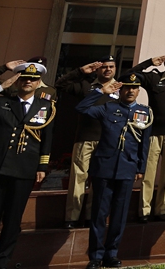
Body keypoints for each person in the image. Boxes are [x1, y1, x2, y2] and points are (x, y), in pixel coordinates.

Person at [0, 62, 55, 269]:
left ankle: (3, 261)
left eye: (32, 79)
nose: (28, 82)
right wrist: (0, 86)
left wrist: (42, 167)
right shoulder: (0, 102)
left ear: (38, 83)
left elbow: (47, 139)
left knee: (12, 221)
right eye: (24, 78)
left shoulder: (46, 107)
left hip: (24, 169)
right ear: (17, 80)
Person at [78, 72, 152, 269]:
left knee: (119, 214)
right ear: (121, 89)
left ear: (138, 91)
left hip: (127, 167)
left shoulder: (144, 113)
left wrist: (141, 167)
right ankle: (95, 256)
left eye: (134, 88)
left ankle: (111, 253)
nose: (130, 91)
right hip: (104, 167)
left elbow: (145, 144)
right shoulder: (107, 108)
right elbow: (82, 108)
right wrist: (101, 91)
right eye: (127, 87)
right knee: (99, 214)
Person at [56, 55, 118, 228]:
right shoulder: (86, 85)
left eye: (111, 67)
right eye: (104, 67)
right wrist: (81, 72)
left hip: (108, 141)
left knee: (100, 181)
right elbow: (60, 85)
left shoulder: (120, 87)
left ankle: (92, 217)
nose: (108, 69)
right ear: (98, 69)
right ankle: (72, 217)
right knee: (78, 178)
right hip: (85, 138)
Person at [128, 53, 165, 224]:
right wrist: (149, 62)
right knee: (148, 174)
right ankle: (144, 211)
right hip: (153, 132)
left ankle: (161, 210)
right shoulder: (154, 78)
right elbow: (129, 75)